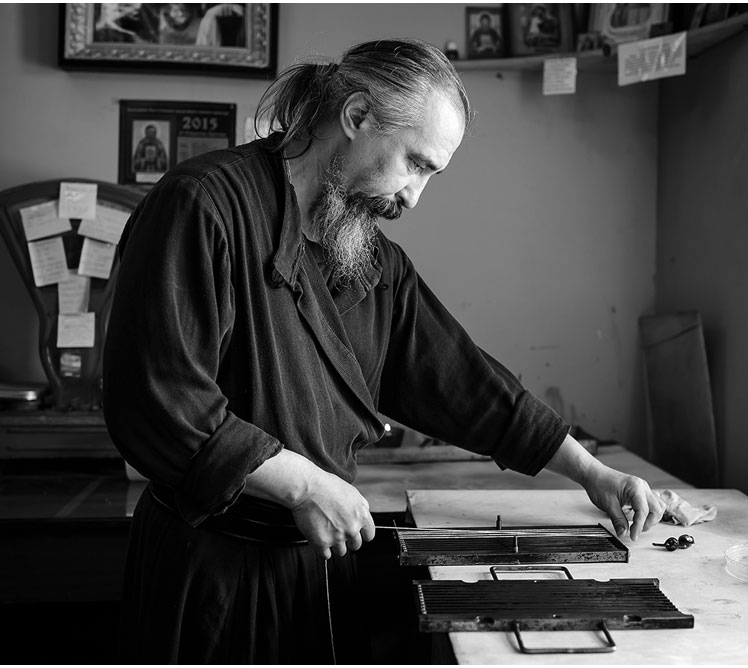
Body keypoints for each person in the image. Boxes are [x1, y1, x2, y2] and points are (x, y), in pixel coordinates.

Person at [103, 38, 666, 664]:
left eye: (431, 175)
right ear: (357, 116)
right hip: (211, 574)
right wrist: (302, 485)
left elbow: (464, 382)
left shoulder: (373, 262)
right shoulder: (203, 205)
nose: (414, 197)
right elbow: (157, 402)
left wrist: (593, 473)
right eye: (414, 164)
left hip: (317, 567)